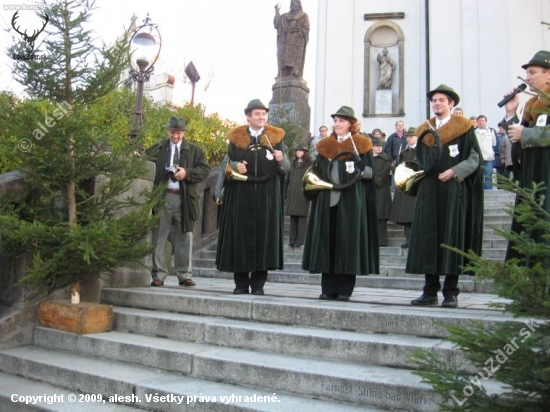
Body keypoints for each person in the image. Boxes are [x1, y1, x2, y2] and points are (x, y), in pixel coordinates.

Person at [407, 85, 484, 308]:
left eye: (441, 100)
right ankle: (429, 291)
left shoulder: (464, 128)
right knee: (428, 238)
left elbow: (474, 158)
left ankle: (451, 292)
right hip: (429, 191)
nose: (437, 104)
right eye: (434, 100)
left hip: (453, 191)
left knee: (452, 237)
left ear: (451, 104)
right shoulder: (425, 130)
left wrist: (454, 171)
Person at [302, 106, 378, 301]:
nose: (337, 124)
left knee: (348, 244)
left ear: (350, 124)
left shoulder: (361, 145)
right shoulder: (324, 146)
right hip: (328, 201)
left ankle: (345, 289)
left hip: (351, 202)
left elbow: (371, 174)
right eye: (335, 120)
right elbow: (317, 171)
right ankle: (328, 288)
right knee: (328, 243)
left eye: (341, 121)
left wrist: (363, 170)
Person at [216, 99, 290, 295]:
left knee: (264, 238)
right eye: (257, 114)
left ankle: (258, 285)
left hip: (267, 197)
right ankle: (240, 284)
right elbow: (225, 165)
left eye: (264, 114)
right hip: (241, 196)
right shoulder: (235, 139)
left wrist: (282, 160)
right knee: (239, 238)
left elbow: (286, 168)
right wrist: (234, 167)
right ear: (248, 116)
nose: (261, 117)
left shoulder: (276, 138)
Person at [146, 117, 211, 287]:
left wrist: (186, 173)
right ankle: (158, 275)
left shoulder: (196, 151)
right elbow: (145, 164)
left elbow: (205, 170)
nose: (175, 135)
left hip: (185, 198)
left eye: (178, 132)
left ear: (183, 132)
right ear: (168, 131)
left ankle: (184, 274)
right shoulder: (158, 148)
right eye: (173, 132)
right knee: (159, 236)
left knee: (185, 237)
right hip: (163, 196)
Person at [503, 50, 550, 265]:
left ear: (548, 74)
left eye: (532, 72)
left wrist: (527, 134)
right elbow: (518, 141)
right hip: (531, 181)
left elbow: (526, 136)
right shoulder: (531, 108)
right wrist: (512, 113)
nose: (528, 78)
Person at [390, 127, 418, 248]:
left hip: (416, 187)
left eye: (411, 136)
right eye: (408, 137)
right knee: (406, 215)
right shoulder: (404, 153)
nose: (409, 138)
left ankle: (416, 240)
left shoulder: (422, 151)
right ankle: (409, 240)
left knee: (415, 215)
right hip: (405, 187)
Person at [285, 142, 312, 248]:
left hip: (303, 193)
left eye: (300, 150)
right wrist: (285, 192)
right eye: (297, 150)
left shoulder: (309, 164)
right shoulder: (293, 163)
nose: (298, 152)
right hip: (292, 192)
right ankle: (292, 240)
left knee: (302, 217)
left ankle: (300, 240)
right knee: (293, 217)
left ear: (305, 152)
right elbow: (288, 178)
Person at [274, 0, 310, 78]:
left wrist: (300, 32)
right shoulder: (284, 16)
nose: (293, 5)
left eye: (295, 3)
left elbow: (306, 29)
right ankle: (282, 73)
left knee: (295, 48)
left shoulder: (303, 16)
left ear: (299, 5)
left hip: (296, 41)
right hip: (284, 41)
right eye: (292, 4)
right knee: (280, 53)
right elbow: (277, 24)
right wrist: (277, 11)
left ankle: (294, 72)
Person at [372, 137, 392, 246]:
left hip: (382, 191)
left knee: (381, 217)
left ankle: (382, 241)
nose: (379, 148)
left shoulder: (386, 158)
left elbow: (384, 173)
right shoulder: (369, 158)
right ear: (372, 147)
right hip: (371, 191)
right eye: (377, 146)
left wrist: (373, 179)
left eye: (380, 146)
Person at [474, 115, 497, 189]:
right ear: (477, 122)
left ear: (486, 122)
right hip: (478, 158)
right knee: (478, 176)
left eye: (482, 120)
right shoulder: (474, 132)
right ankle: (479, 193)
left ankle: (488, 192)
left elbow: (495, 143)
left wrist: (492, 152)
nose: (481, 122)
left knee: (488, 176)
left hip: (489, 158)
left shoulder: (491, 130)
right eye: (479, 121)